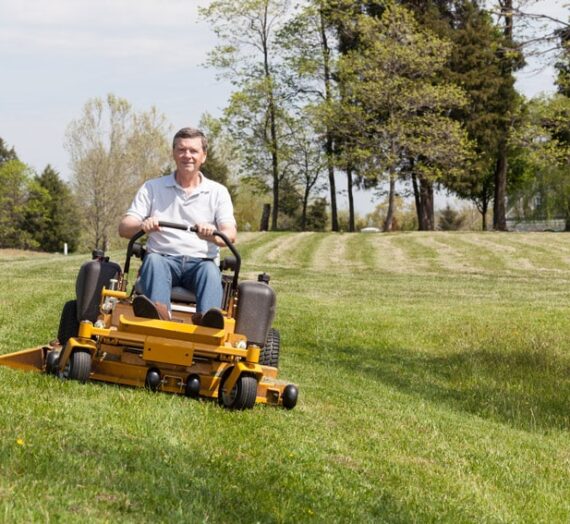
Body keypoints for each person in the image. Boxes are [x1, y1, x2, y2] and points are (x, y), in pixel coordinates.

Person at [119, 127, 237, 324]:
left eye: (193, 151)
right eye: (181, 150)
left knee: (210, 272)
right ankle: (159, 316)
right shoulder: (152, 187)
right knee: (154, 261)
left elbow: (230, 235)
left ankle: (208, 323)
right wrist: (143, 225)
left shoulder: (218, 192)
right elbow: (124, 227)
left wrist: (212, 234)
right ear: (174, 154)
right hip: (162, 259)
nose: (187, 156)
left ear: (204, 156)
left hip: (201, 262)